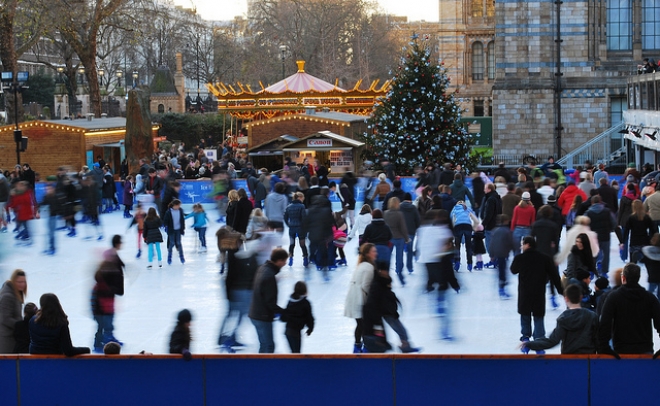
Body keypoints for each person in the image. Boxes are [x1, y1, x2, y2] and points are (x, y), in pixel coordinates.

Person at [511, 236, 564, 353]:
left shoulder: (520, 257)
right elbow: (554, 275)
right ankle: (539, 338)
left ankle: (525, 337)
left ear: (527, 245)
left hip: (525, 291)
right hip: (538, 291)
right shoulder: (544, 258)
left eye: (523, 244)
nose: (521, 246)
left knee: (525, 314)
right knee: (538, 315)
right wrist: (561, 290)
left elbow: (513, 270)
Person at [598, 263, 660, 356]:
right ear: (638, 278)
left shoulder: (613, 297)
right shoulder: (650, 298)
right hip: (645, 350)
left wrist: (604, 348)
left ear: (623, 278)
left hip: (621, 350)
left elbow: (605, 323)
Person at [521, 284, 598, 354]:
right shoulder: (592, 316)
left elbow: (552, 341)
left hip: (569, 358)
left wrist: (529, 344)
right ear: (581, 297)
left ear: (566, 298)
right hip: (589, 358)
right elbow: (598, 338)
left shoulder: (563, 318)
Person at [362, 266, 420, 353]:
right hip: (385, 313)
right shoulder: (378, 285)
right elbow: (382, 301)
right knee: (399, 330)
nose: (386, 273)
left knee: (395, 330)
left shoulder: (383, 283)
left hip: (384, 313)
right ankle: (403, 346)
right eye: (384, 271)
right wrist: (391, 311)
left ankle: (401, 345)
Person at [218, 240, 259, 351]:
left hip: (236, 291)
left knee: (233, 315)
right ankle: (228, 338)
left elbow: (229, 278)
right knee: (241, 315)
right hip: (242, 292)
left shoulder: (235, 257)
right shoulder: (245, 258)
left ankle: (225, 337)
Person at [249, 248, 288, 353]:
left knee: (264, 344)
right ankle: (265, 367)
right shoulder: (269, 276)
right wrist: (284, 312)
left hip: (255, 313)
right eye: (284, 261)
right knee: (269, 346)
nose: (285, 264)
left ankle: (259, 365)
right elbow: (269, 301)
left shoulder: (262, 268)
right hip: (262, 316)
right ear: (279, 261)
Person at [344, 243, 377, 353]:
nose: (376, 253)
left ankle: (357, 346)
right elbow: (365, 286)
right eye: (374, 251)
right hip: (359, 299)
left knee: (360, 324)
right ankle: (364, 347)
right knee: (364, 324)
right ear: (368, 254)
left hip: (353, 297)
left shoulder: (362, 265)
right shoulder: (369, 267)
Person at [281, 281, 314, 353]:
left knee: (294, 352)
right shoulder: (305, 303)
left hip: (288, 330)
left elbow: (284, 315)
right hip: (296, 331)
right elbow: (309, 317)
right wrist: (310, 328)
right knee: (297, 353)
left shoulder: (290, 301)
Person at [586, 195, 615, 277]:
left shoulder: (588, 212)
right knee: (605, 254)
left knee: (592, 254)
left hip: (593, 237)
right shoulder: (607, 211)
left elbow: (584, 224)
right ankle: (604, 271)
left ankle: (591, 271)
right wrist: (610, 229)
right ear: (600, 201)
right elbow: (614, 223)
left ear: (592, 202)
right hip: (605, 236)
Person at [0, 269, 27, 353]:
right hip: (7, 338)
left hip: (13, 336)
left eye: (23, 282)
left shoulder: (16, 294)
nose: (22, 285)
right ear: (13, 281)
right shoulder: (7, 296)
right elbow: (5, 319)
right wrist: (21, 326)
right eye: (19, 282)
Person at [383, 197, 409, 285]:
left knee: (388, 256)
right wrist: (406, 238)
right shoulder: (399, 214)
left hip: (389, 239)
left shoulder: (385, 213)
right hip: (399, 238)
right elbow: (403, 228)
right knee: (399, 257)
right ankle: (399, 273)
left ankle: (386, 273)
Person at [489, 215, 515, 299]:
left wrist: (491, 254)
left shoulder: (494, 230)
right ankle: (502, 288)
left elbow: (491, 243)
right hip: (503, 253)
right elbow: (510, 242)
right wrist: (513, 249)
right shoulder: (507, 231)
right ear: (505, 221)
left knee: (500, 270)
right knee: (502, 271)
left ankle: (502, 286)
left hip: (497, 253)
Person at [450, 200, 476, 272]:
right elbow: (475, 219)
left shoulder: (455, 208)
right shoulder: (468, 208)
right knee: (468, 246)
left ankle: (457, 262)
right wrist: (474, 227)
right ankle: (470, 264)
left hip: (458, 226)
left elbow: (451, 219)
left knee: (457, 245)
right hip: (468, 226)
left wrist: (452, 229)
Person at [284, 192, 308, 267]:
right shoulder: (302, 206)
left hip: (292, 228)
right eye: (302, 197)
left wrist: (289, 224)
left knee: (292, 244)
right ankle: (305, 259)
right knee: (302, 244)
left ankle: (290, 259)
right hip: (300, 227)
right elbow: (304, 218)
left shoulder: (288, 207)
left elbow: (285, 218)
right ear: (299, 198)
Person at [480, 183, 502, 268]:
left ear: (489, 189)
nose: (484, 190)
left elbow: (489, 214)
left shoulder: (490, 199)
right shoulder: (497, 197)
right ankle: (496, 259)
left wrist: (483, 224)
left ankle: (493, 260)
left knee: (489, 244)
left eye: (485, 188)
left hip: (490, 225)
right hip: (497, 223)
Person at [510, 192, 536, 256]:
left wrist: (512, 229)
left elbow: (514, 219)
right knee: (527, 247)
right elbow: (533, 221)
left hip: (517, 228)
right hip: (527, 228)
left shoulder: (517, 208)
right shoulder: (532, 209)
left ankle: (517, 259)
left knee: (516, 247)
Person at [163, 199, 186, 264]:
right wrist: (165, 226)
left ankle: (182, 257)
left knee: (179, 243)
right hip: (171, 230)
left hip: (178, 230)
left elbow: (182, 220)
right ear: (174, 205)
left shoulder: (180, 210)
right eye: (178, 205)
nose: (179, 206)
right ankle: (169, 257)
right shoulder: (169, 212)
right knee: (172, 243)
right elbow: (165, 220)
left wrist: (183, 229)